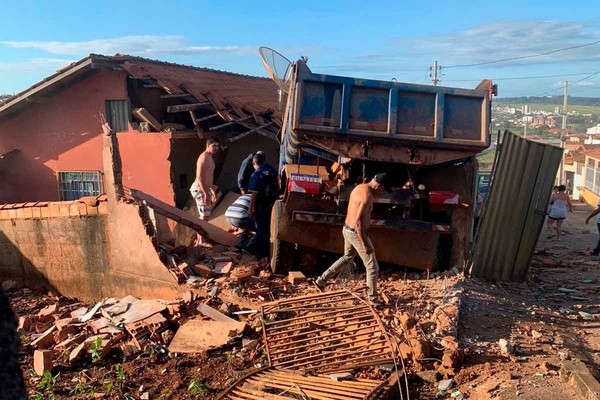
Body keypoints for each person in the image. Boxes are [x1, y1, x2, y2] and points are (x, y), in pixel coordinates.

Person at [315, 173, 392, 304]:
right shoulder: (367, 196)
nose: (382, 193)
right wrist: (364, 244)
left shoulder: (359, 188)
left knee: (347, 257)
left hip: (347, 229)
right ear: (378, 185)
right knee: (372, 266)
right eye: (383, 190)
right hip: (356, 232)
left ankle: (321, 281)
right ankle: (373, 299)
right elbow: (358, 222)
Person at [247, 152, 278, 267]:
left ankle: (263, 256)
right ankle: (270, 254)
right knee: (270, 230)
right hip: (273, 205)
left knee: (261, 231)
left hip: (261, 206)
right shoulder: (271, 171)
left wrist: (250, 209)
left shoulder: (256, 175)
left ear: (254, 163)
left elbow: (254, 194)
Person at [190, 137, 220, 243]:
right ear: (207, 146)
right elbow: (199, 178)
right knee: (204, 216)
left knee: (205, 216)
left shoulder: (210, 158)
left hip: (206, 188)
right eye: (213, 146)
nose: (216, 148)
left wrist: (212, 191)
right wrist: (205, 193)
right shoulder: (203, 157)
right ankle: (201, 241)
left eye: (217, 146)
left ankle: (200, 240)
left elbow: (209, 178)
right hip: (199, 188)